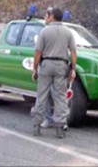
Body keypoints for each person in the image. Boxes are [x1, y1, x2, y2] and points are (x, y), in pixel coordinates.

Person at [31, 8, 77, 138]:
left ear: (52, 16)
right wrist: (73, 69)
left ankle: (36, 126)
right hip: (61, 66)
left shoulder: (44, 31)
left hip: (46, 65)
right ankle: (59, 128)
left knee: (42, 95)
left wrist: (35, 69)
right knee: (60, 97)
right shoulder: (68, 33)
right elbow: (73, 52)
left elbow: (38, 52)